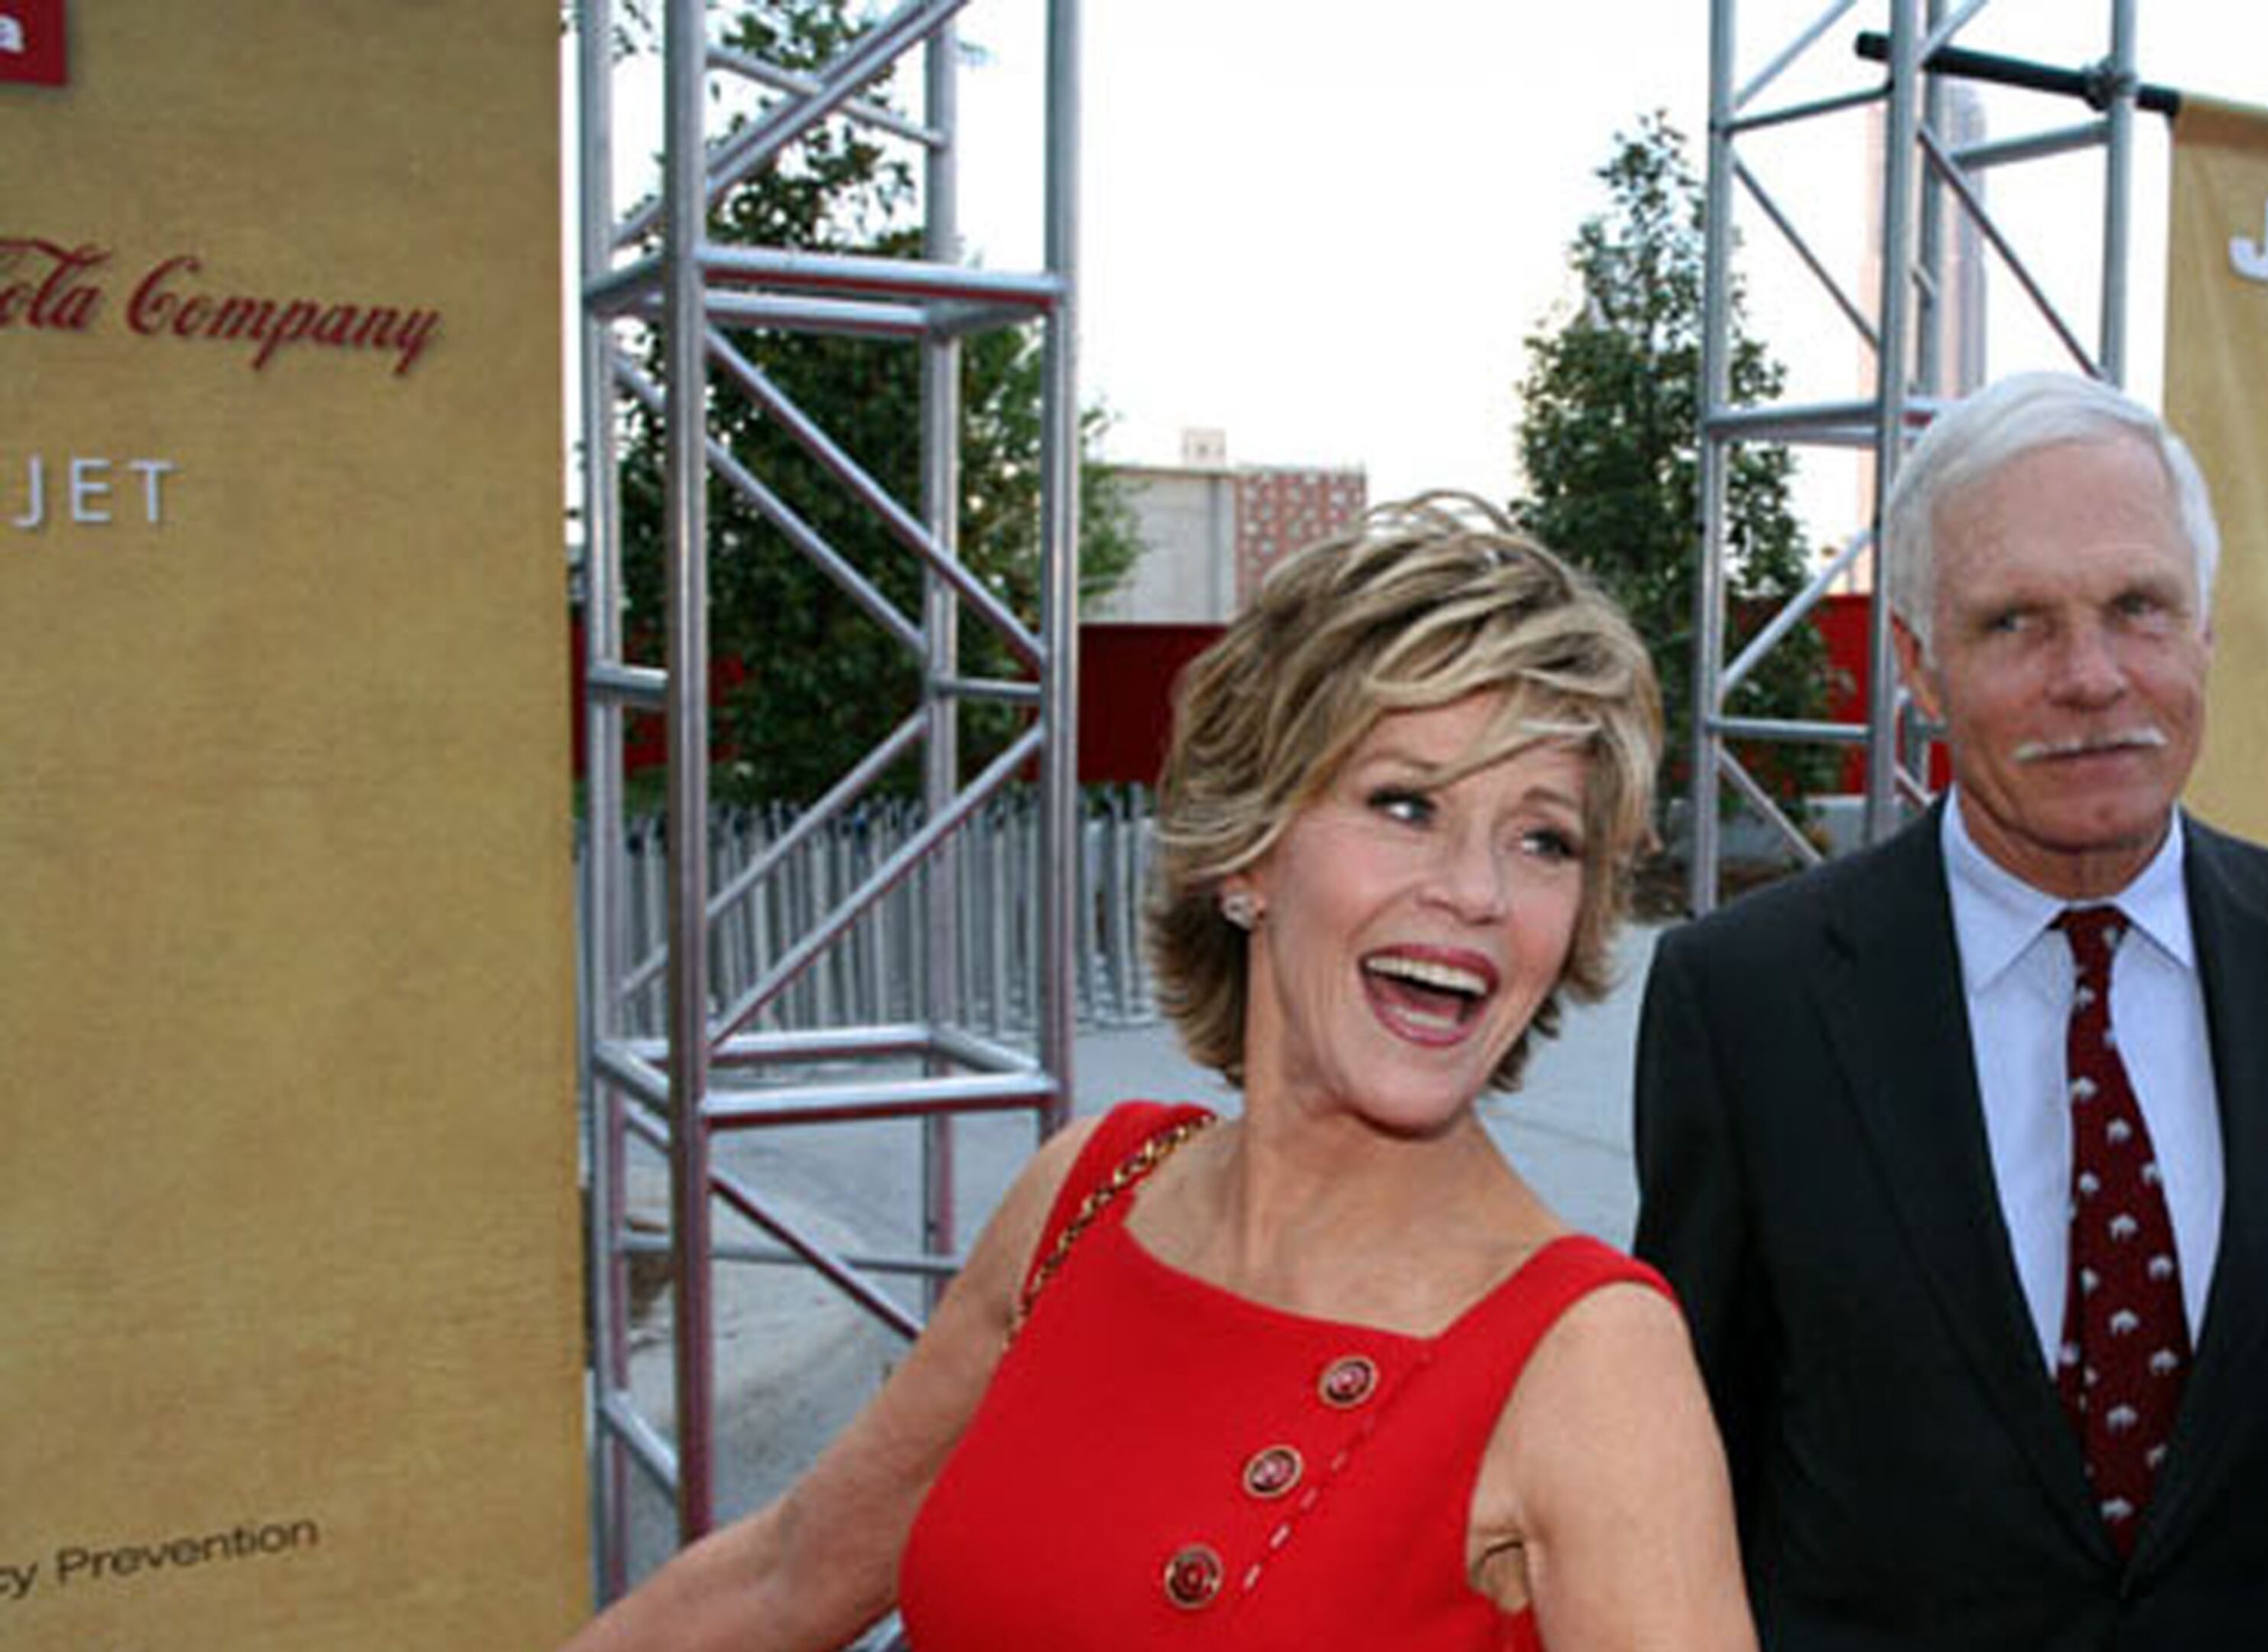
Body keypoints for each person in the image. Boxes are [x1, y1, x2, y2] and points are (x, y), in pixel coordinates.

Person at [564, 496, 1756, 1651]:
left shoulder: (1588, 1359)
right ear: (1245, 854)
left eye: (1543, 837)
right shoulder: (1086, 1193)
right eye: (1405, 803)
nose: (1480, 892)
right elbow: (788, 1578)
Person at [1632, 372, 2268, 1650]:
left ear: (2206, 630)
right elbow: (1686, 1465)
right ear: (1920, 668)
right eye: (2016, 624)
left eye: (2138, 608)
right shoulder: (1747, 1005)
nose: (2092, 678)